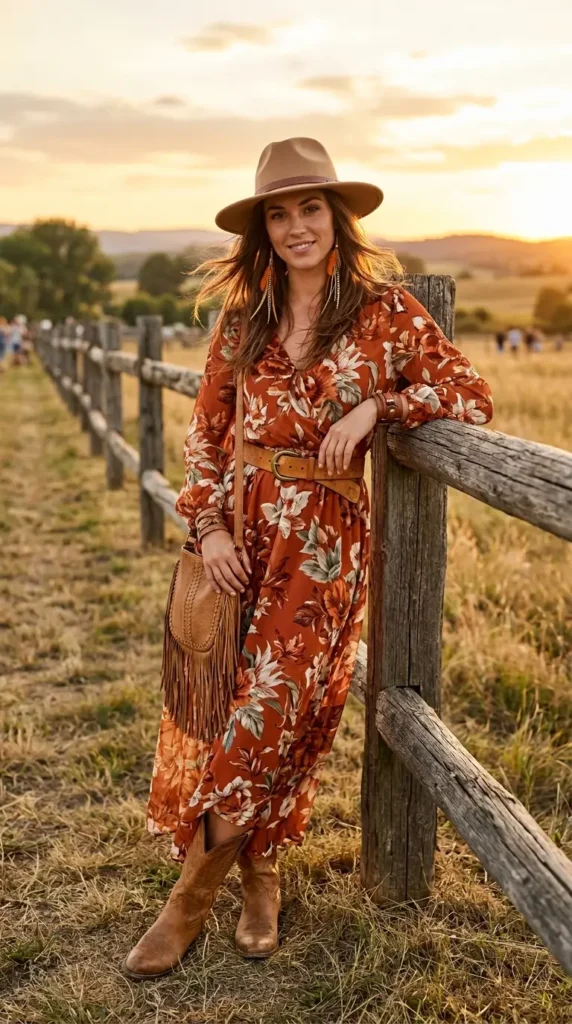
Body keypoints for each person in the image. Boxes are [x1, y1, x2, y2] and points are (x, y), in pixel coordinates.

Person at [124, 136, 494, 980]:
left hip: (325, 548)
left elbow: (470, 396)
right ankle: (260, 874)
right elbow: (207, 436)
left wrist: (378, 411)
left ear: (338, 217)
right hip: (242, 538)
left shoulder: (387, 312)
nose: (296, 226)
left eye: (311, 208)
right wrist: (210, 529)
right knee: (239, 715)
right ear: (263, 228)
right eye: (280, 213)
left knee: (274, 714)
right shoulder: (244, 317)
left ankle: (186, 904)